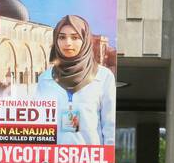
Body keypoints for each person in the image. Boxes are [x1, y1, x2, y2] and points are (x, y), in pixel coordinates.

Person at [35, 14, 116, 148]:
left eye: (75, 37)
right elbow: (40, 126)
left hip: (90, 162)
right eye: (62, 37)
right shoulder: (45, 79)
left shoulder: (103, 76)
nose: (68, 43)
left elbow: (109, 125)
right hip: (54, 162)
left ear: (84, 39)